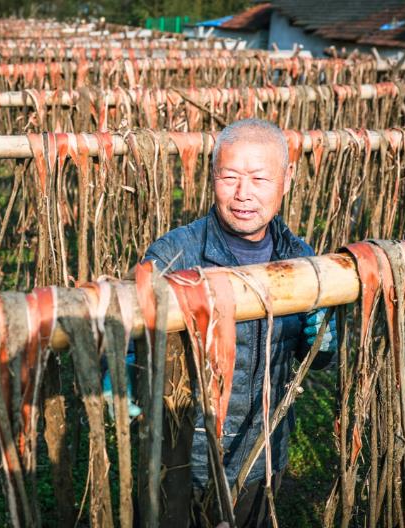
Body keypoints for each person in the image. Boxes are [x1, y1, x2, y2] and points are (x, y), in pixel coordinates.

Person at [141, 118, 337, 528]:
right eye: (229, 177)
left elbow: (312, 360)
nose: (242, 194)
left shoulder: (301, 258)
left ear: (286, 180)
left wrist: (322, 343)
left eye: (259, 179)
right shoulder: (173, 255)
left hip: (264, 456)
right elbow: (137, 350)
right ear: (212, 177)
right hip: (184, 463)